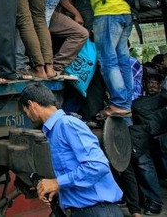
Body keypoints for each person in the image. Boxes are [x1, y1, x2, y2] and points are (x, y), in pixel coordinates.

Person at [19, 83, 123, 215]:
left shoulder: (67, 124)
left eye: (26, 110)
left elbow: (97, 166)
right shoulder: (53, 130)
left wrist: (57, 183)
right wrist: (60, 189)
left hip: (97, 211)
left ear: (32, 105)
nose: (27, 114)